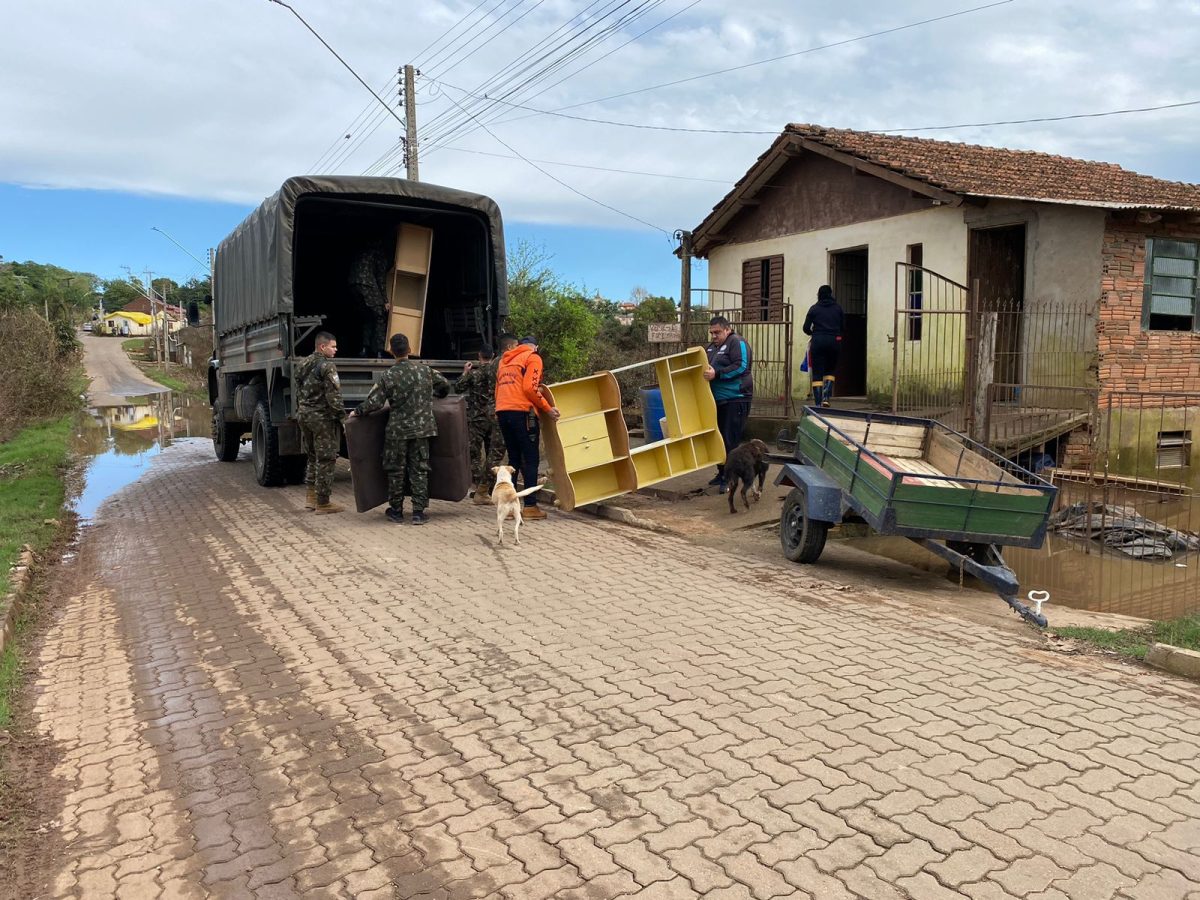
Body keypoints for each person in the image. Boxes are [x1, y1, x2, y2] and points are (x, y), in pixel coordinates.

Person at [350, 332, 450, 524]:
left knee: (396, 470)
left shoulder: (388, 375)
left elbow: (376, 403)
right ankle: (418, 512)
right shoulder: (425, 370)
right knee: (419, 468)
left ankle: (396, 511)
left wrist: (357, 412)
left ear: (391, 352)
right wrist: (434, 394)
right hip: (422, 429)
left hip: (398, 431)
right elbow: (445, 386)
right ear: (410, 350)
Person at [495, 335, 560, 520]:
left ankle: (508, 508)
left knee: (514, 459)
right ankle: (530, 507)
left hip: (503, 411)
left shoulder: (504, 360)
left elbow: (498, 388)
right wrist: (547, 409)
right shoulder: (532, 357)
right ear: (535, 347)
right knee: (531, 459)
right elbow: (529, 388)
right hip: (522, 413)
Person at [295, 331, 347, 513]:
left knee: (312, 456)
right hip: (321, 418)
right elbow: (333, 397)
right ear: (322, 347)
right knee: (326, 458)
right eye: (333, 346)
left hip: (304, 415)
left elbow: (299, 389)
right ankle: (323, 502)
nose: (336, 349)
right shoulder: (327, 366)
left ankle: (310, 498)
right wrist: (343, 419)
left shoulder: (303, 364)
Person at [703, 316, 754, 493]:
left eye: (717, 332)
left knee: (730, 440)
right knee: (719, 440)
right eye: (711, 333)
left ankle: (730, 478)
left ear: (727, 329)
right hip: (717, 400)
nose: (714, 336)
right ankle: (721, 473)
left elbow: (741, 366)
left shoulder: (737, 342)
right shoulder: (711, 348)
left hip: (736, 397)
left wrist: (718, 373)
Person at [456, 339, 508, 505]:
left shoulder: (474, 374)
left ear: (479, 356)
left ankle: (479, 486)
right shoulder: (497, 373)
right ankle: (489, 486)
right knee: (492, 452)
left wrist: (465, 372)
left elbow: (458, 387)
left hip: (476, 419)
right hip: (493, 417)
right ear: (493, 356)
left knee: (475, 455)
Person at [348, 237, 393, 358]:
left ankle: (364, 349)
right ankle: (379, 351)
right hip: (368, 285)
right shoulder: (380, 254)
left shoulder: (363, 251)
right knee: (379, 317)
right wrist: (385, 301)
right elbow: (381, 278)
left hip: (353, 285)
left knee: (368, 318)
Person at [802, 284, 844, 407]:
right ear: (830, 294)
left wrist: (813, 333)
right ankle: (826, 398)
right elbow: (843, 327)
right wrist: (836, 334)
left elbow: (805, 328)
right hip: (834, 341)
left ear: (819, 295)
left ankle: (818, 404)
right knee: (830, 370)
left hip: (818, 342)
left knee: (817, 373)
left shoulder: (814, 309)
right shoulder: (838, 308)